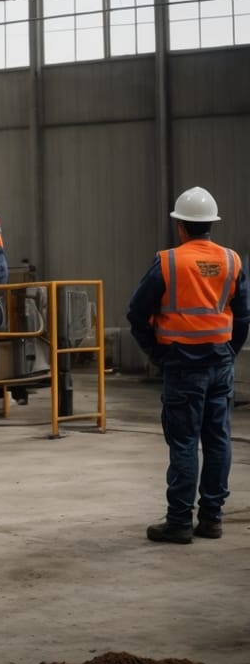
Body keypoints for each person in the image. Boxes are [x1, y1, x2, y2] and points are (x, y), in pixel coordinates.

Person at [127, 186, 245, 543]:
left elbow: (136, 312)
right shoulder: (232, 260)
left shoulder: (169, 262)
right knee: (218, 439)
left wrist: (157, 353)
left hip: (182, 365)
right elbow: (244, 316)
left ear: (181, 226)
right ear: (211, 224)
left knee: (183, 443)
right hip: (220, 362)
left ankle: (179, 521)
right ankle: (212, 519)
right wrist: (229, 351)